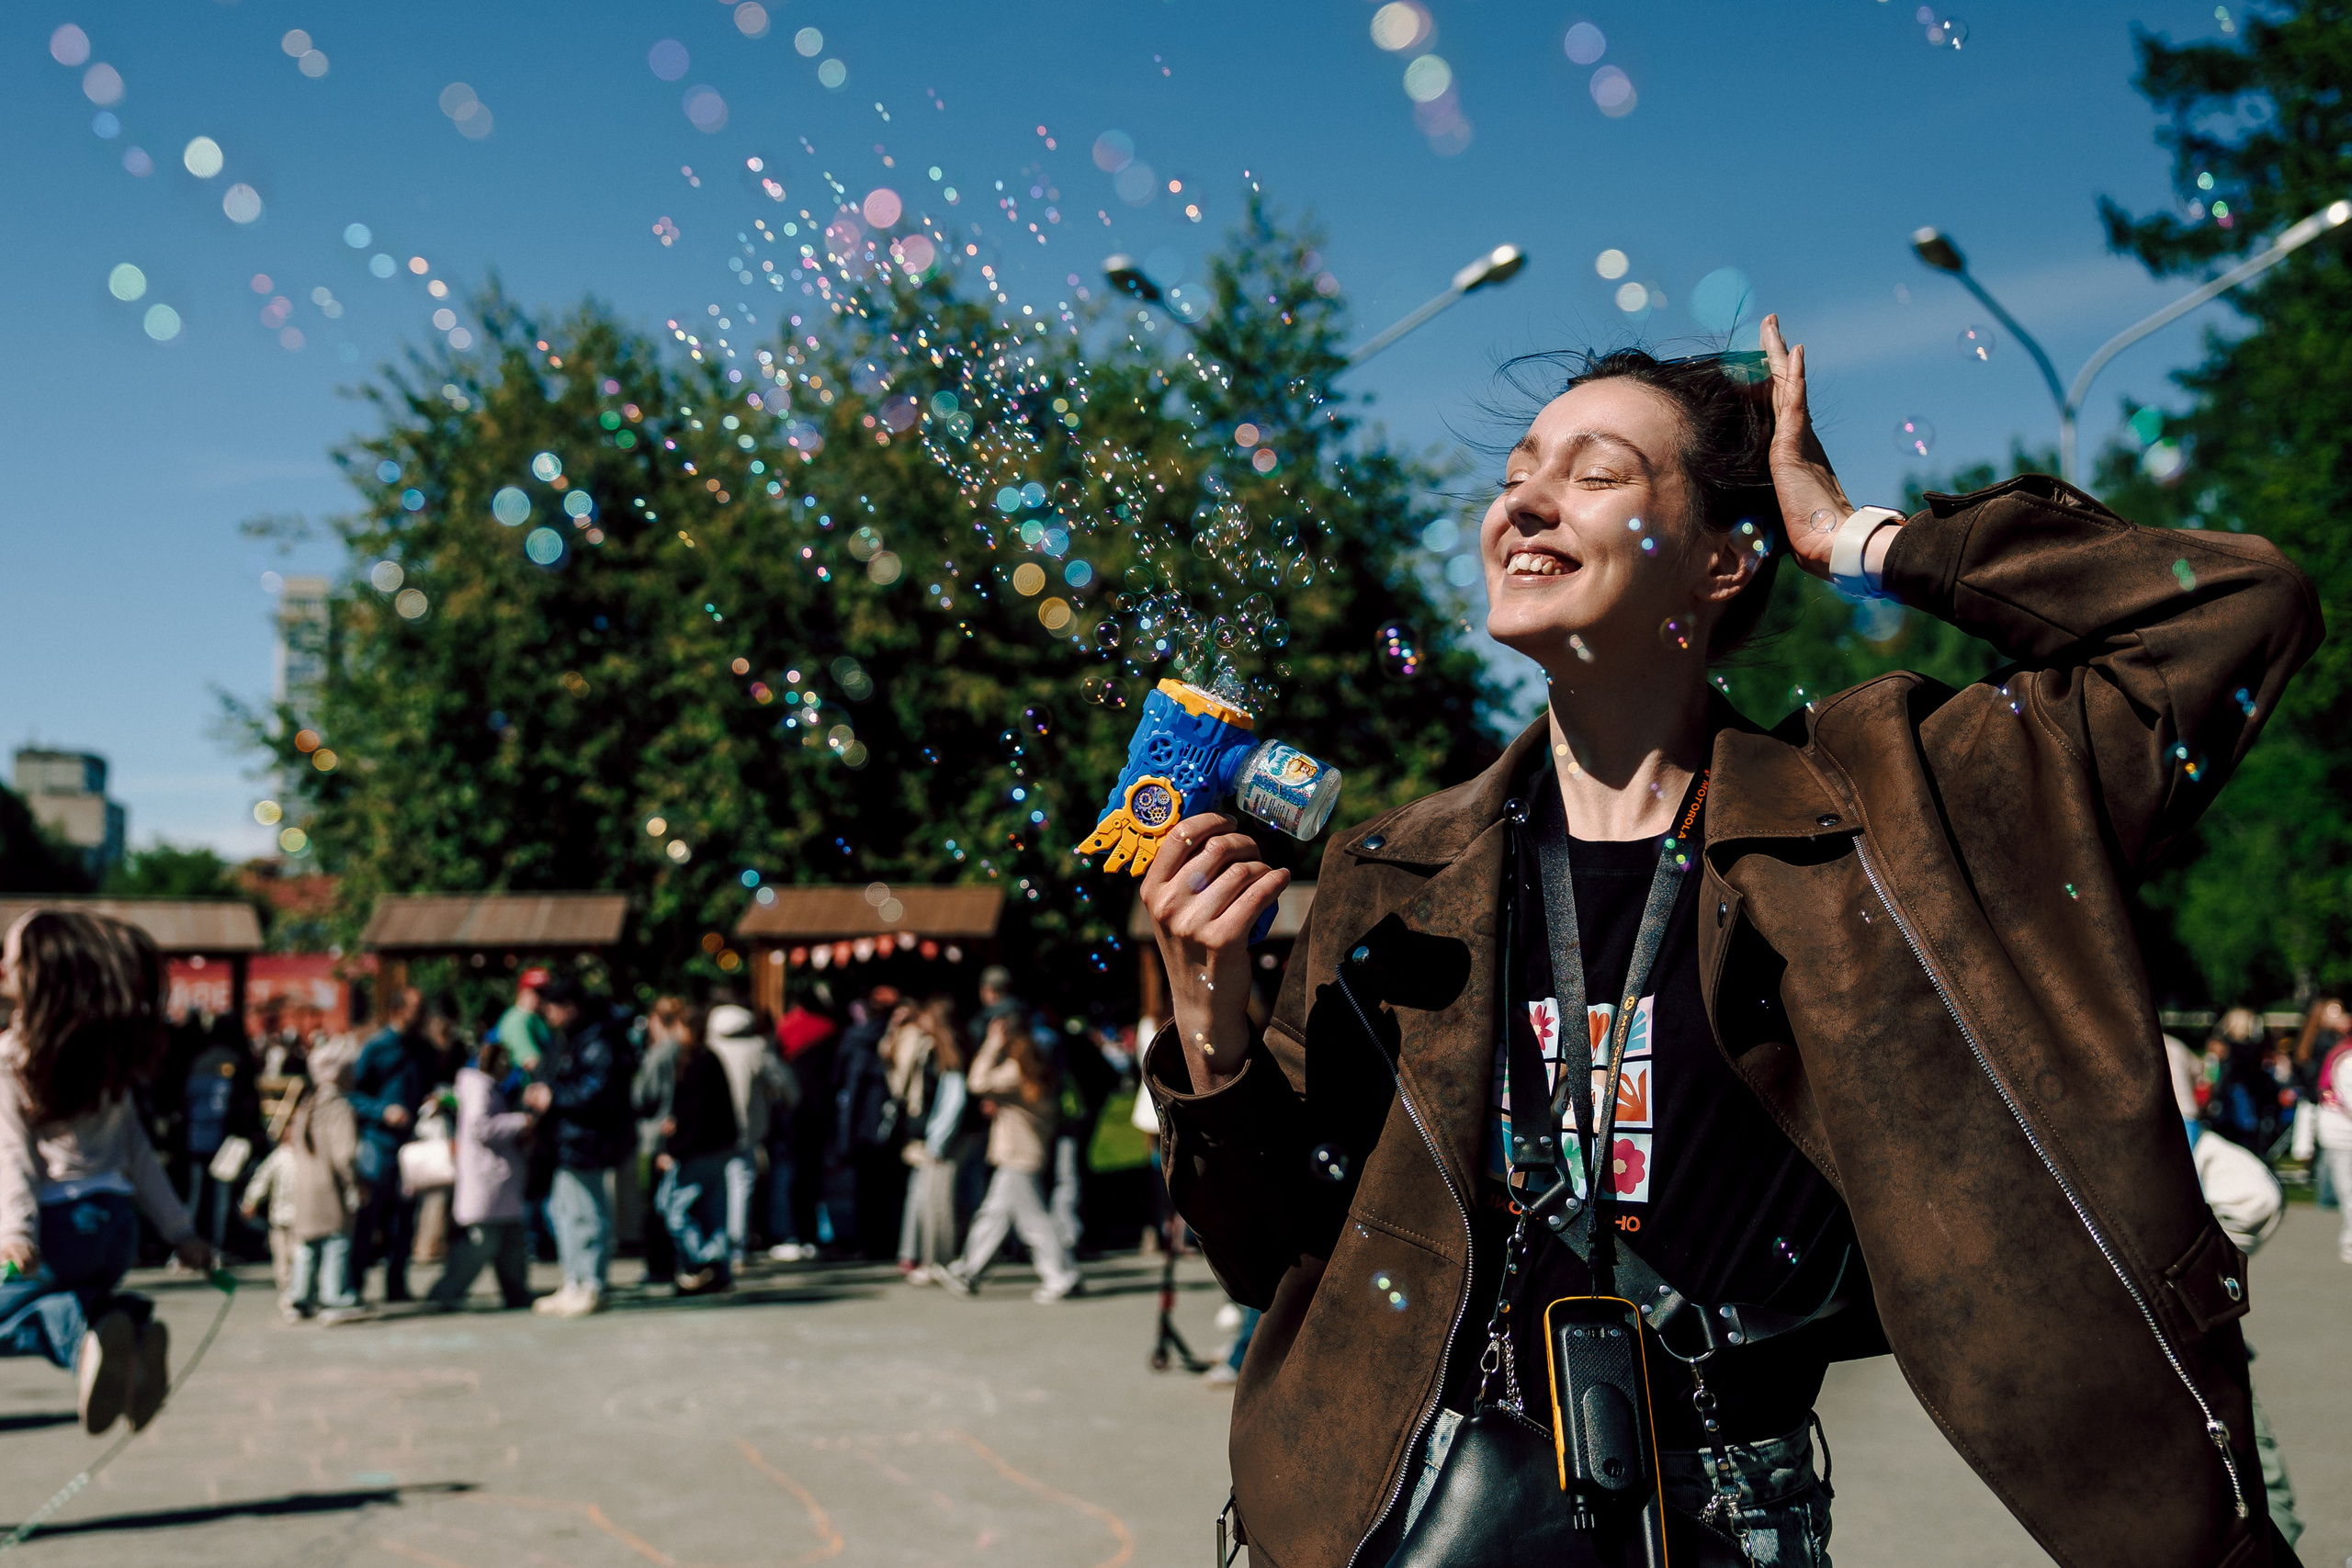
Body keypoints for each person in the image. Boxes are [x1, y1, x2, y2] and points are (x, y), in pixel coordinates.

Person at [1138, 322, 2317, 1567]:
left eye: (1595, 475)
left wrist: (1860, 537)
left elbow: (2240, 609)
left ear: (1721, 562)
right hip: (1412, 1505)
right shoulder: (1393, 877)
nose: (1527, 501)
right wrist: (1210, 1026)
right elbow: (1271, 1251)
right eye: (1516, 475)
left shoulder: (1888, 813)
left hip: (1725, 1517)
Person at [0, 911, 214, 1434]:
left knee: (12, 1314)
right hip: (116, 1227)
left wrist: (14, 1232)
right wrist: (181, 1232)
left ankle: (87, 1341)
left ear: (39, 975)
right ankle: (132, 1333)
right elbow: (140, 1155)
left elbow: (11, 1156)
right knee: (84, 1297)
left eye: (10, 959)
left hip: (55, 1226)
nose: (2, 967)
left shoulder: (11, 1059)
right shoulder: (107, 1062)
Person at [943, 1015, 1080, 1302]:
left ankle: (1060, 1275)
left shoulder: (1015, 1070)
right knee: (995, 1215)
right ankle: (968, 1270)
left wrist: (992, 1044)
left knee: (1034, 1223)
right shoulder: (1035, 1069)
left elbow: (977, 1082)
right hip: (1024, 1153)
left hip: (1017, 1155)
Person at [526, 978, 629, 1316]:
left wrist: (554, 1097)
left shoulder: (597, 1041)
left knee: (587, 1212)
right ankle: (574, 1280)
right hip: (567, 1140)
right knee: (563, 1211)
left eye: (552, 1007)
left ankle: (591, 1283)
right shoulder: (572, 1039)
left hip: (587, 1140)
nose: (547, 1014)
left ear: (570, 1007)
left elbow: (599, 1092)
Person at [429, 1034, 537, 1311]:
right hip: (487, 1179)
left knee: (511, 1242)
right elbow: (481, 1128)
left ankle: (516, 1292)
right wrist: (519, 1122)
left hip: (498, 1182)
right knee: (481, 1243)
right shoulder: (478, 1088)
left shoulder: (486, 1087)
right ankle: (446, 1290)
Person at [346, 987, 428, 1303]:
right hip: (377, 1143)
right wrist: (382, 1111)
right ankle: (354, 1285)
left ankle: (397, 1284)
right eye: (414, 1008)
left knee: (404, 1219)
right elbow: (352, 1094)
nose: (420, 1015)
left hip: (411, 1146)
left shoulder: (424, 1050)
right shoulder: (377, 1048)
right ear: (397, 1011)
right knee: (369, 1216)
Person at [650, 999, 737, 1293]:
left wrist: (672, 1148)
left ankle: (703, 1263)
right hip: (717, 1146)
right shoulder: (708, 1058)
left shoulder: (695, 1062)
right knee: (713, 1212)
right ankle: (718, 1268)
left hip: (697, 1148)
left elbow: (693, 1114)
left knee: (675, 1210)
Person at [282, 1039, 367, 1325]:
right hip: (330, 1187)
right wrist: (355, 1182)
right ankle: (335, 1297)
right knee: (336, 1242)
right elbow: (346, 1154)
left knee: (306, 1245)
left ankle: (299, 1297)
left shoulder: (307, 1104)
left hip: (305, 1186)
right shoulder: (339, 1107)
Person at [707, 1001, 797, 1271]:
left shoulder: (708, 1048)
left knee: (713, 1189)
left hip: (710, 1133)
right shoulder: (756, 1049)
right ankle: (736, 1248)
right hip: (746, 1130)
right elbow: (787, 1086)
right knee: (740, 1189)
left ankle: (714, 1246)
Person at [893, 998, 967, 1280]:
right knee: (928, 1199)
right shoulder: (935, 1048)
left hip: (937, 1138)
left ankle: (937, 1260)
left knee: (934, 1201)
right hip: (932, 1135)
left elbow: (952, 1100)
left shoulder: (944, 1052)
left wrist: (937, 1140)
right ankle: (929, 1258)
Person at [829, 987, 903, 1259]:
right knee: (889, 1186)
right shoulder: (893, 1039)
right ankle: (889, 1240)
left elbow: (843, 1085)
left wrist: (843, 1135)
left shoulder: (854, 1040)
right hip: (889, 1120)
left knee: (866, 1188)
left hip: (860, 1122)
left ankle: (869, 1242)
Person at [770, 984, 838, 1260]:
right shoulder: (829, 1028)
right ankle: (814, 1232)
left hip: (792, 1109)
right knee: (812, 1171)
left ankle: (797, 1231)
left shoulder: (785, 1026)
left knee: (794, 1172)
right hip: (820, 1107)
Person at [630, 1003, 681, 1287]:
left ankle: (659, 1266)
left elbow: (642, 1095)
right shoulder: (685, 1051)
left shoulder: (659, 1053)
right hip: (675, 1133)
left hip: (653, 1137)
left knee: (653, 1205)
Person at [2315, 1001, 2352, 1265]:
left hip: (2341, 1130)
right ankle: (2350, 1245)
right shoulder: (2347, 1058)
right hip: (2341, 1134)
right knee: (2348, 1192)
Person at [494, 968, 554, 1073]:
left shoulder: (534, 1017)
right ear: (523, 992)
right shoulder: (518, 1020)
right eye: (539, 992)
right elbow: (532, 1063)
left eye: (547, 991)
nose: (544, 997)